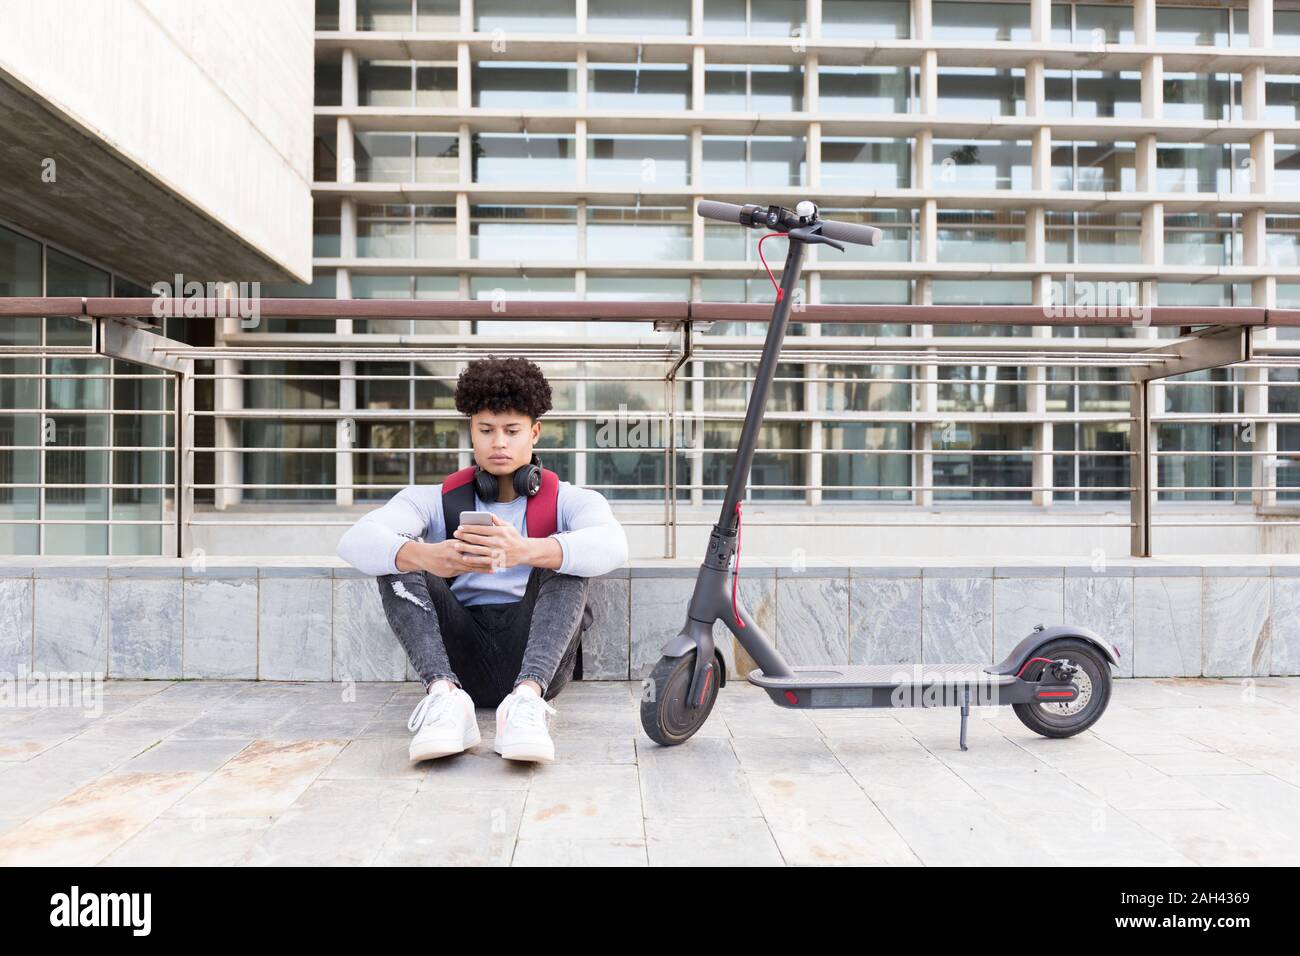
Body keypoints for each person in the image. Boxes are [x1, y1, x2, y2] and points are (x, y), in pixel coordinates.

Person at [336, 356, 629, 764]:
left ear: (535, 432)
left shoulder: (570, 499)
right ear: (471, 431)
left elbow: (614, 545)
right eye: (486, 430)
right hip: (460, 656)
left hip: (539, 656)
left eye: (512, 431)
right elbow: (355, 541)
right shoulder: (433, 498)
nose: (499, 443)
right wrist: (427, 556)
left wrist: (526, 549)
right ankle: (445, 700)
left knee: (565, 558)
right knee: (396, 561)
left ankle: (525, 705)